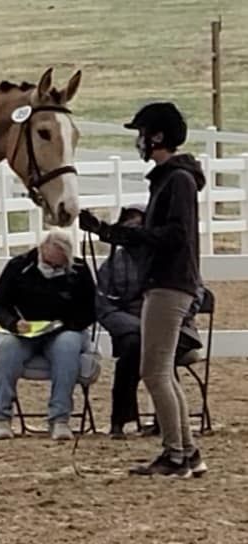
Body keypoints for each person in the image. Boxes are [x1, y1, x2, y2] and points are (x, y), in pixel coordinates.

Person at [79, 101, 207, 478]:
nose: (138, 140)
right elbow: (157, 235)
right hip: (166, 283)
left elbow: (172, 235)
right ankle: (186, 452)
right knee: (161, 372)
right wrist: (105, 231)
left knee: (154, 372)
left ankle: (175, 455)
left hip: (169, 284)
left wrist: (117, 233)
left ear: (157, 136)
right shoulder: (171, 179)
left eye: (141, 133)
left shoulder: (177, 180)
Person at [95, 203, 204, 439]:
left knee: (150, 353)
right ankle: (162, 423)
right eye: (128, 223)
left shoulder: (174, 262)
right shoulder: (112, 265)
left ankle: (125, 420)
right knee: (136, 348)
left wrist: (162, 322)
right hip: (131, 328)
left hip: (174, 326)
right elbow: (104, 307)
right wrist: (140, 327)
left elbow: (193, 296)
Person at [0, 228, 96, 441]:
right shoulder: (18, 266)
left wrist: (66, 324)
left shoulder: (79, 270)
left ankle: (60, 418)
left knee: (67, 347)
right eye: (50, 262)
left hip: (64, 329)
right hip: (26, 331)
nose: (54, 267)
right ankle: (2, 417)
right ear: (41, 250)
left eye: (59, 264)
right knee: (7, 348)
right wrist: (13, 323)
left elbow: (91, 309)